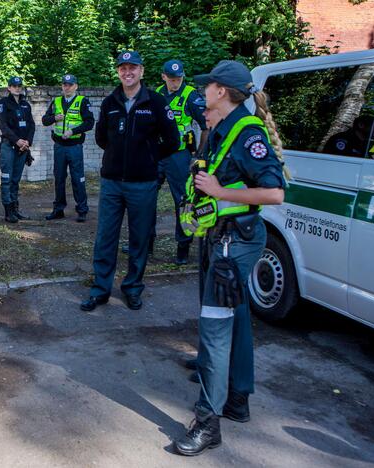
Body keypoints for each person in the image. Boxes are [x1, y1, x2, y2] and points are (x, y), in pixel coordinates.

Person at [173, 60, 287, 456]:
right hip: (222, 240)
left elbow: (274, 193)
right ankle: (238, 399)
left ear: (222, 91)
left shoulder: (246, 132)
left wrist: (221, 192)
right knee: (235, 320)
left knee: (215, 331)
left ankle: (208, 423)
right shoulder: (221, 129)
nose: (202, 91)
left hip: (233, 245)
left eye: (208, 87)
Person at [81, 51, 180, 312]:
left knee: (139, 239)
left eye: (132, 68)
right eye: (123, 68)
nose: (128, 72)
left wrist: (149, 158)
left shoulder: (156, 102)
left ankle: (133, 288)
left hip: (143, 183)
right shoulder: (110, 102)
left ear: (142, 71)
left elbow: (173, 141)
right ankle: (100, 290)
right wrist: (117, 155)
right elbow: (101, 138)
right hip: (112, 182)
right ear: (118, 72)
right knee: (105, 238)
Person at [152, 59, 208, 264]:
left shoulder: (190, 95)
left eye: (179, 78)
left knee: (183, 201)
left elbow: (206, 126)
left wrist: (199, 155)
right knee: (146, 196)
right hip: (157, 153)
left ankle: (183, 246)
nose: (176, 82)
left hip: (179, 155)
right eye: (172, 79)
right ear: (163, 76)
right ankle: (146, 241)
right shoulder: (157, 93)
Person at [42, 74, 95, 222]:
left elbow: (90, 123)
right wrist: (54, 118)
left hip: (74, 146)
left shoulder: (82, 101)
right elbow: (44, 121)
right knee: (59, 179)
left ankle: (82, 210)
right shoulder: (56, 101)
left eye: (70, 85)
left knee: (78, 178)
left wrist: (73, 131)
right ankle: (58, 209)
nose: (67, 87)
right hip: (59, 147)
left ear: (76, 86)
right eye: (65, 84)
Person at [0, 76, 36, 223]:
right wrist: (17, 141)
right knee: (7, 179)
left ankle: (15, 209)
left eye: (19, 86)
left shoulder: (26, 105)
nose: (17, 88)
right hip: (9, 146)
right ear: (9, 88)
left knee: (15, 180)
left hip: (22, 148)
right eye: (14, 86)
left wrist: (27, 142)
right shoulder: (3, 104)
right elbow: (3, 126)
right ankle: (8, 211)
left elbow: (32, 125)